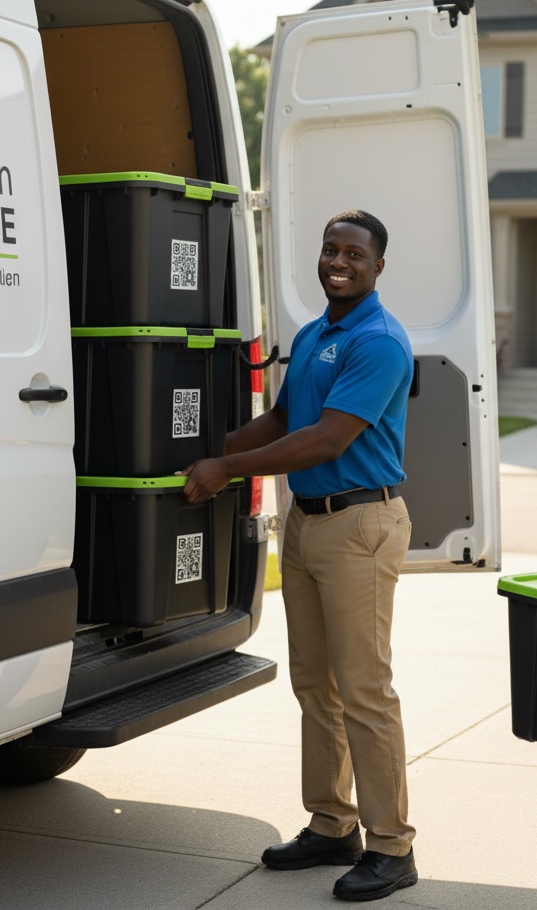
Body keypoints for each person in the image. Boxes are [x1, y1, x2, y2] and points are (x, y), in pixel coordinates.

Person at [180, 209, 418, 902]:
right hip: (308, 523)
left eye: (354, 254)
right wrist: (204, 451)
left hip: (360, 524)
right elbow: (284, 421)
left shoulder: (379, 342)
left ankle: (392, 846)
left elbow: (326, 439)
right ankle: (332, 824)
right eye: (330, 250)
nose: (338, 262)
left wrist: (227, 471)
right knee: (316, 685)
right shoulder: (315, 334)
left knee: (365, 691)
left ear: (378, 267)